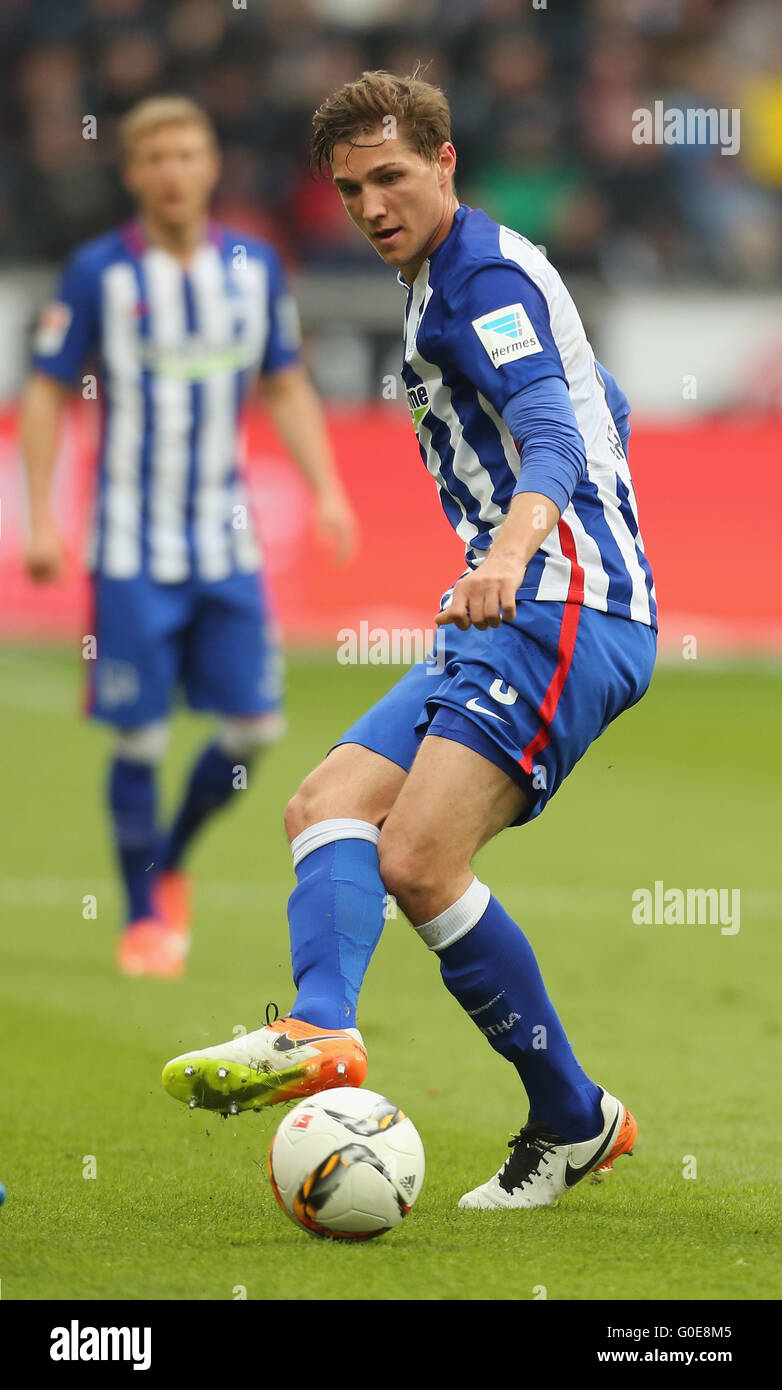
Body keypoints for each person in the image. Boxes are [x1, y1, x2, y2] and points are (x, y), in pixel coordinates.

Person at [162, 71, 656, 1213]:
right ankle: (331, 1029)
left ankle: (559, 1112)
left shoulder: (476, 276)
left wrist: (511, 549)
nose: (372, 203)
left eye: (391, 175)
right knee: (325, 805)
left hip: (553, 606)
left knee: (419, 859)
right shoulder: (453, 272)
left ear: (442, 164)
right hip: (520, 605)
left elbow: (548, 429)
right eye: (349, 190)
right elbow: (595, 406)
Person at [21, 96, 356, 980]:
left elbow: (283, 381)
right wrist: (43, 516)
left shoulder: (254, 269)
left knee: (255, 727)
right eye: (155, 157)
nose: (172, 170)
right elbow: (49, 393)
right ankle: (140, 916)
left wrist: (327, 489)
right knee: (138, 738)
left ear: (212, 167)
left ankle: (169, 862)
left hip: (226, 546)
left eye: (187, 153)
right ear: (133, 174)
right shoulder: (100, 273)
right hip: (132, 548)